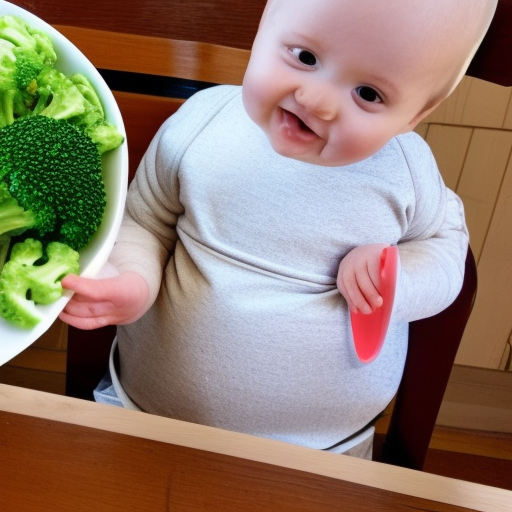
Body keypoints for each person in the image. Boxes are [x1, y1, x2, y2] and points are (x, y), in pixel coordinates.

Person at [60, 0, 497, 459]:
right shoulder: (201, 123)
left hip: (330, 455)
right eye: (305, 58)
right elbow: (145, 221)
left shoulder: (406, 171)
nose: (316, 101)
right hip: (144, 419)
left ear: (417, 112)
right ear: (265, 23)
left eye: (368, 94)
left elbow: (449, 255)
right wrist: (133, 280)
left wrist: (399, 279)